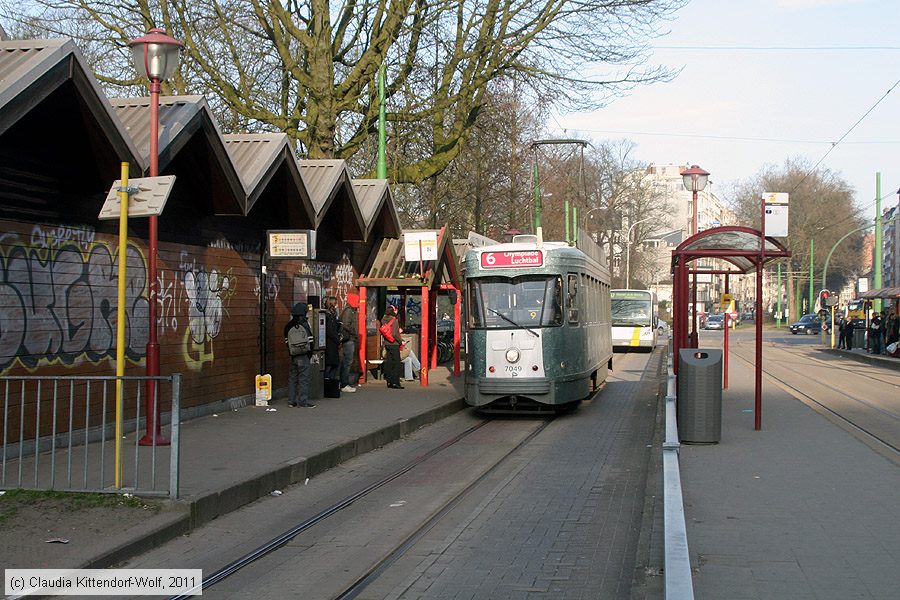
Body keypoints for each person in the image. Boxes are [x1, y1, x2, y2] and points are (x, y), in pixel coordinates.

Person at [284, 303, 315, 408]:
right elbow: (310, 340)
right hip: (303, 355)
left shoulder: (288, 325)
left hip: (293, 355)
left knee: (292, 378)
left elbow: (287, 342)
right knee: (303, 379)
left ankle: (291, 401)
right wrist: (310, 353)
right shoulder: (304, 324)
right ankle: (303, 401)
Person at [338, 292, 360, 393]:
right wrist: (354, 332)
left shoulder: (351, 310)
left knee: (347, 362)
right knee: (347, 362)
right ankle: (344, 384)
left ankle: (343, 383)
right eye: (357, 300)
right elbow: (346, 325)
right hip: (349, 339)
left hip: (350, 338)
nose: (359, 302)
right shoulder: (348, 311)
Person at [380, 304, 403, 389]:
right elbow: (395, 334)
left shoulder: (383, 319)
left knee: (389, 362)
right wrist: (400, 341)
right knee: (397, 363)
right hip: (394, 344)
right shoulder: (394, 320)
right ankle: (395, 382)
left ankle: (389, 381)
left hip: (387, 343)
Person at [324, 296, 341, 381]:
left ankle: (330, 383)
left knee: (333, 364)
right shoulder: (328, 315)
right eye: (335, 303)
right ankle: (328, 382)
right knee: (330, 364)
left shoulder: (332, 314)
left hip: (332, 343)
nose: (337, 305)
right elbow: (330, 330)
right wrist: (337, 340)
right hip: (330, 343)